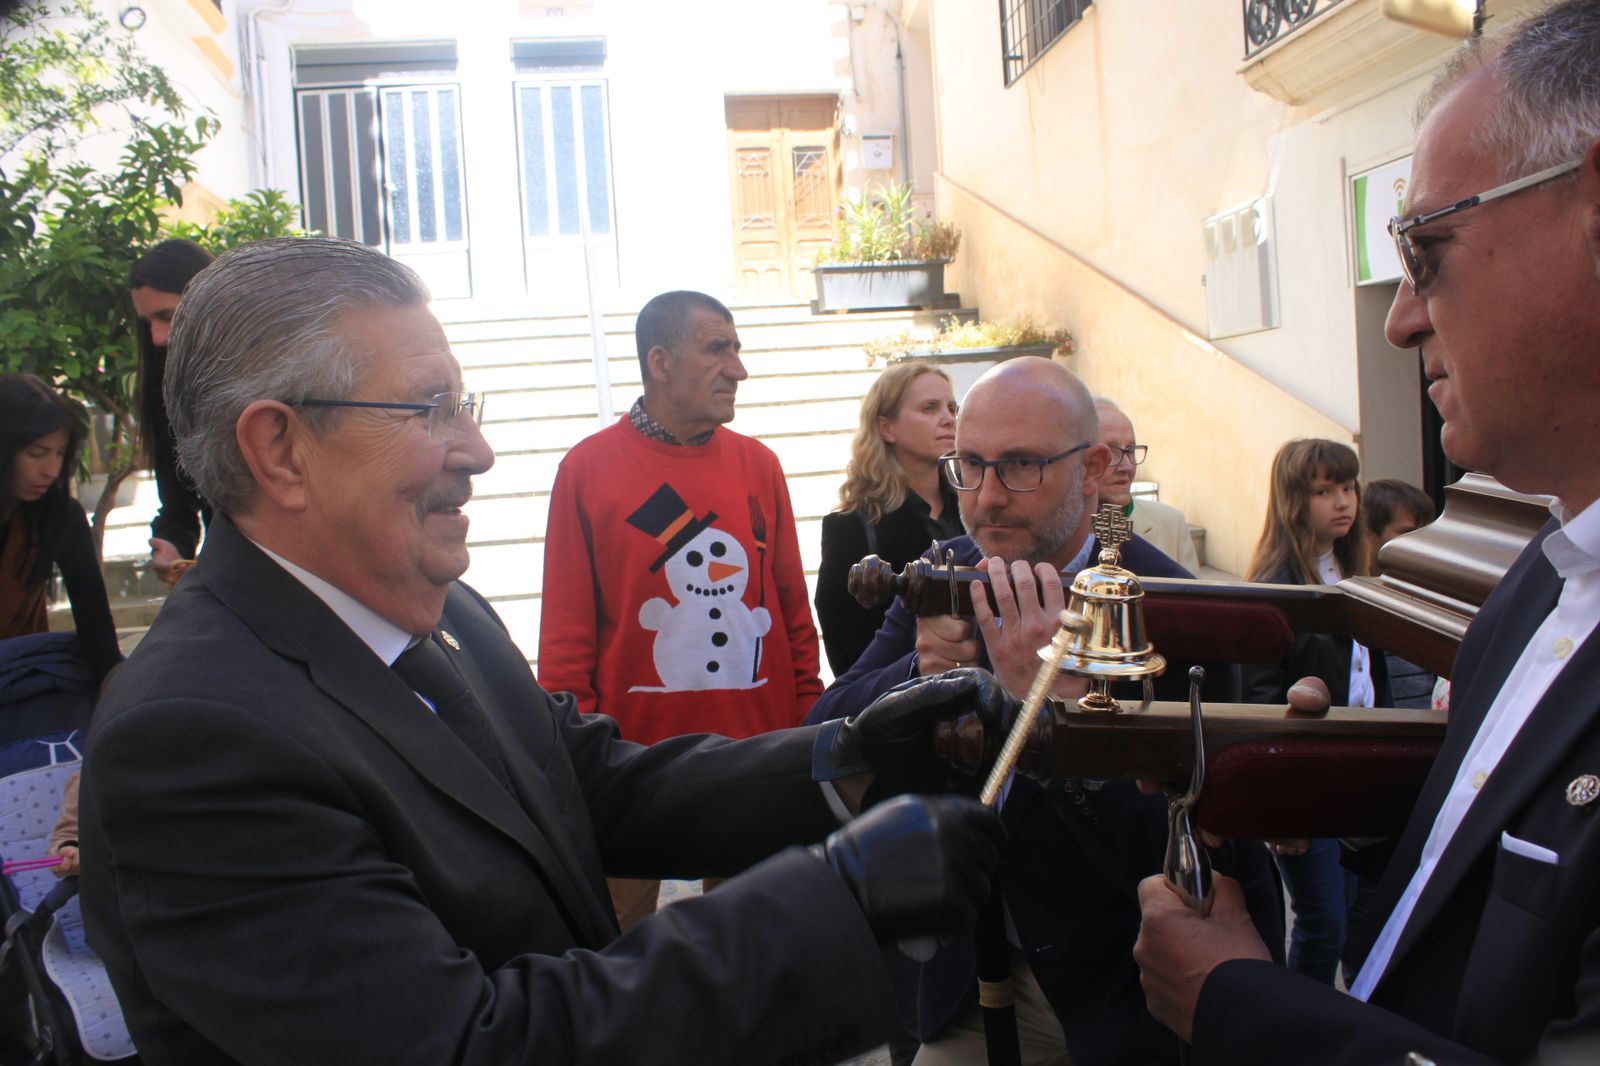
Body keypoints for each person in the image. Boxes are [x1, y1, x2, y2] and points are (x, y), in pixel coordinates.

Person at [77, 236, 1012, 1065]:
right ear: (280, 450)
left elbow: (587, 782)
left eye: (464, 403)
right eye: (429, 409)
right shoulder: (195, 736)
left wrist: (845, 759)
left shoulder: (449, 613)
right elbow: (463, 1041)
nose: (477, 451)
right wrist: (840, 900)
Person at [1135, 4, 1600, 1061]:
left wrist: (1235, 1001)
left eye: (1425, 251)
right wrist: (1315, 789)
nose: (1397, 318)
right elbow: (1490, 857)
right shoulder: (1544, 574)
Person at [807, 356, 1282, 1066]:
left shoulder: (1173, 606)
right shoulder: (951, 568)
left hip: (1124, 993)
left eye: (1021, 465)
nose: (988, 496)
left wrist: (1059, 716)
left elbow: (1194, 856)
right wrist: (920, 670)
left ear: (1093, 468)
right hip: (966, 978)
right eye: (969, 464)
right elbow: (828, 726)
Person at [539, 290, 824, 927]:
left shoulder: (761, 464)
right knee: (614, 963)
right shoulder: (587, 469)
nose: (738, 369)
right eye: (718, 349)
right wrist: (572, 756)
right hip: (631, 770)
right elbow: (565, 631)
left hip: (757, 757)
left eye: (738, 349)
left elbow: (789, 610)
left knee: (755, 955)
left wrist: (810, 715)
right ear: (661, 362)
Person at [1241, 438, 1387, 987]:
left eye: (1348, 487)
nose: (1342, 502)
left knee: (1356, 916)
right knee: (1322, 922)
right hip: (1306, 776)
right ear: (1293, 500)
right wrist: (1279, 797)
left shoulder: (1359, 570)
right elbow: (1257, 697)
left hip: (1362, 770)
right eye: (1323, 491)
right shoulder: (1276, 586)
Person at [817, 360, 962, 675]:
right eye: (929, 408)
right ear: (887, 427)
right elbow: (849, 660)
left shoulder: (975, 507)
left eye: (952, 408)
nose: (949, 419)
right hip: (906, 707)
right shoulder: (850, 527)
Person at [0, 374, 121, 685]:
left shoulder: (61, 516)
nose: (50, 470)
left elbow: (95, 627)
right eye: (36, 453)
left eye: (58, 454)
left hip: (20, 682)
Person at [130, 238, 215, 584]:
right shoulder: (163, 392)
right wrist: (171, 543)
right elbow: (179, 503)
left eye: (166, 316)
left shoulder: (278, 376)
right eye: (146, 322)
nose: (157, 337)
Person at [1094, 398, 1200, 573]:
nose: (1127, 466)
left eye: (1130, 450)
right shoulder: (1058, 529)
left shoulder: (1171, 524)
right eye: (1111, 452)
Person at [1365, 477, 1440, 709]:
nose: (1420, 542)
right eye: (1406, 532)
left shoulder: (1432, 593)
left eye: (1426, 532)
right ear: (1368, 535)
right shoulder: (1358, 597)